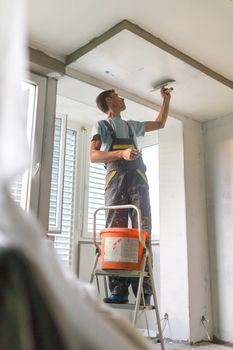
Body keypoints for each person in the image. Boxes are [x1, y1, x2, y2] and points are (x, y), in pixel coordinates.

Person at [90, 87, 171, 304]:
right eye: (118, 96)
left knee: (142, 232)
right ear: (109, 100)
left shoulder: (131, 126)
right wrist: (121, 153)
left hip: (137, 181)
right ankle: (119, 290)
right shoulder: (102, 126)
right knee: (115, 234)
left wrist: (166, 99)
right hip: (115, 181)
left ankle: (144, 291)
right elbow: (94, 155)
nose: (123, 98)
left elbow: (160, 123)